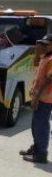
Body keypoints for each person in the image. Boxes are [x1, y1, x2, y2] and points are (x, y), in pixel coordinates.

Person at [20, 34, 52, 164]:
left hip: (45, 98)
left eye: (46, 44)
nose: (43, 46)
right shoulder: (46, 57)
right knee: (36, 125)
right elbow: (36, 64)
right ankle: (37, 148)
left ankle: (41, 154)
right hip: (40, 97)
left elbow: (49, 80)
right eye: (42, 44)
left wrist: (36, 98)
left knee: (41, 126)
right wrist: (38, 53)